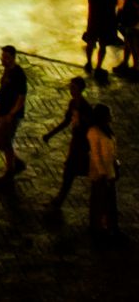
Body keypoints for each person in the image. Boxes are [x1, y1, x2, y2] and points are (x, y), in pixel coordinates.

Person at [45, 75, 95, 211]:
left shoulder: (86, 107)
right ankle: (59, 200)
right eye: (70, 87)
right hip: (76, 143)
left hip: (82, 145)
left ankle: (59, 201)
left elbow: (91, 126)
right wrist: (51, 134)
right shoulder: (73, 103)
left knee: (71, 172)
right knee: (70, 172)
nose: (71, 90)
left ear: (80, 89)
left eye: (74, 88)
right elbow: (67, 121)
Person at [0, 44, 28, 185]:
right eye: (3, 56)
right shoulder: (7, 71)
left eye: (7, 57)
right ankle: (16, 162)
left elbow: (21, 98)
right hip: (2, 112)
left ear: (13, 58)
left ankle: (10, 172)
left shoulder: (18, 74)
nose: (3, 60)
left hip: (10, 115)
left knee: (6, 142)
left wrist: (11, 114)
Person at [88, 105, 120, 240]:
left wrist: (116, 164)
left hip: (110, 171)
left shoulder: (107, 130)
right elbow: (96, 155)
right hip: (101, 175)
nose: (110, 116)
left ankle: (111, 227)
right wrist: (102, 174)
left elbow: (112, 150)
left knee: (110, 202)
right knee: (100, 202)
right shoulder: (93, 132)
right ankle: (99, 228)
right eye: (108, 114)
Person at [86, 0, 118, 72]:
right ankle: (99, 66)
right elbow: (114, 3)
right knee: (102, 45)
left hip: (93, 19)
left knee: (90, 42)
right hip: (104, 21)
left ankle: (89, 62)